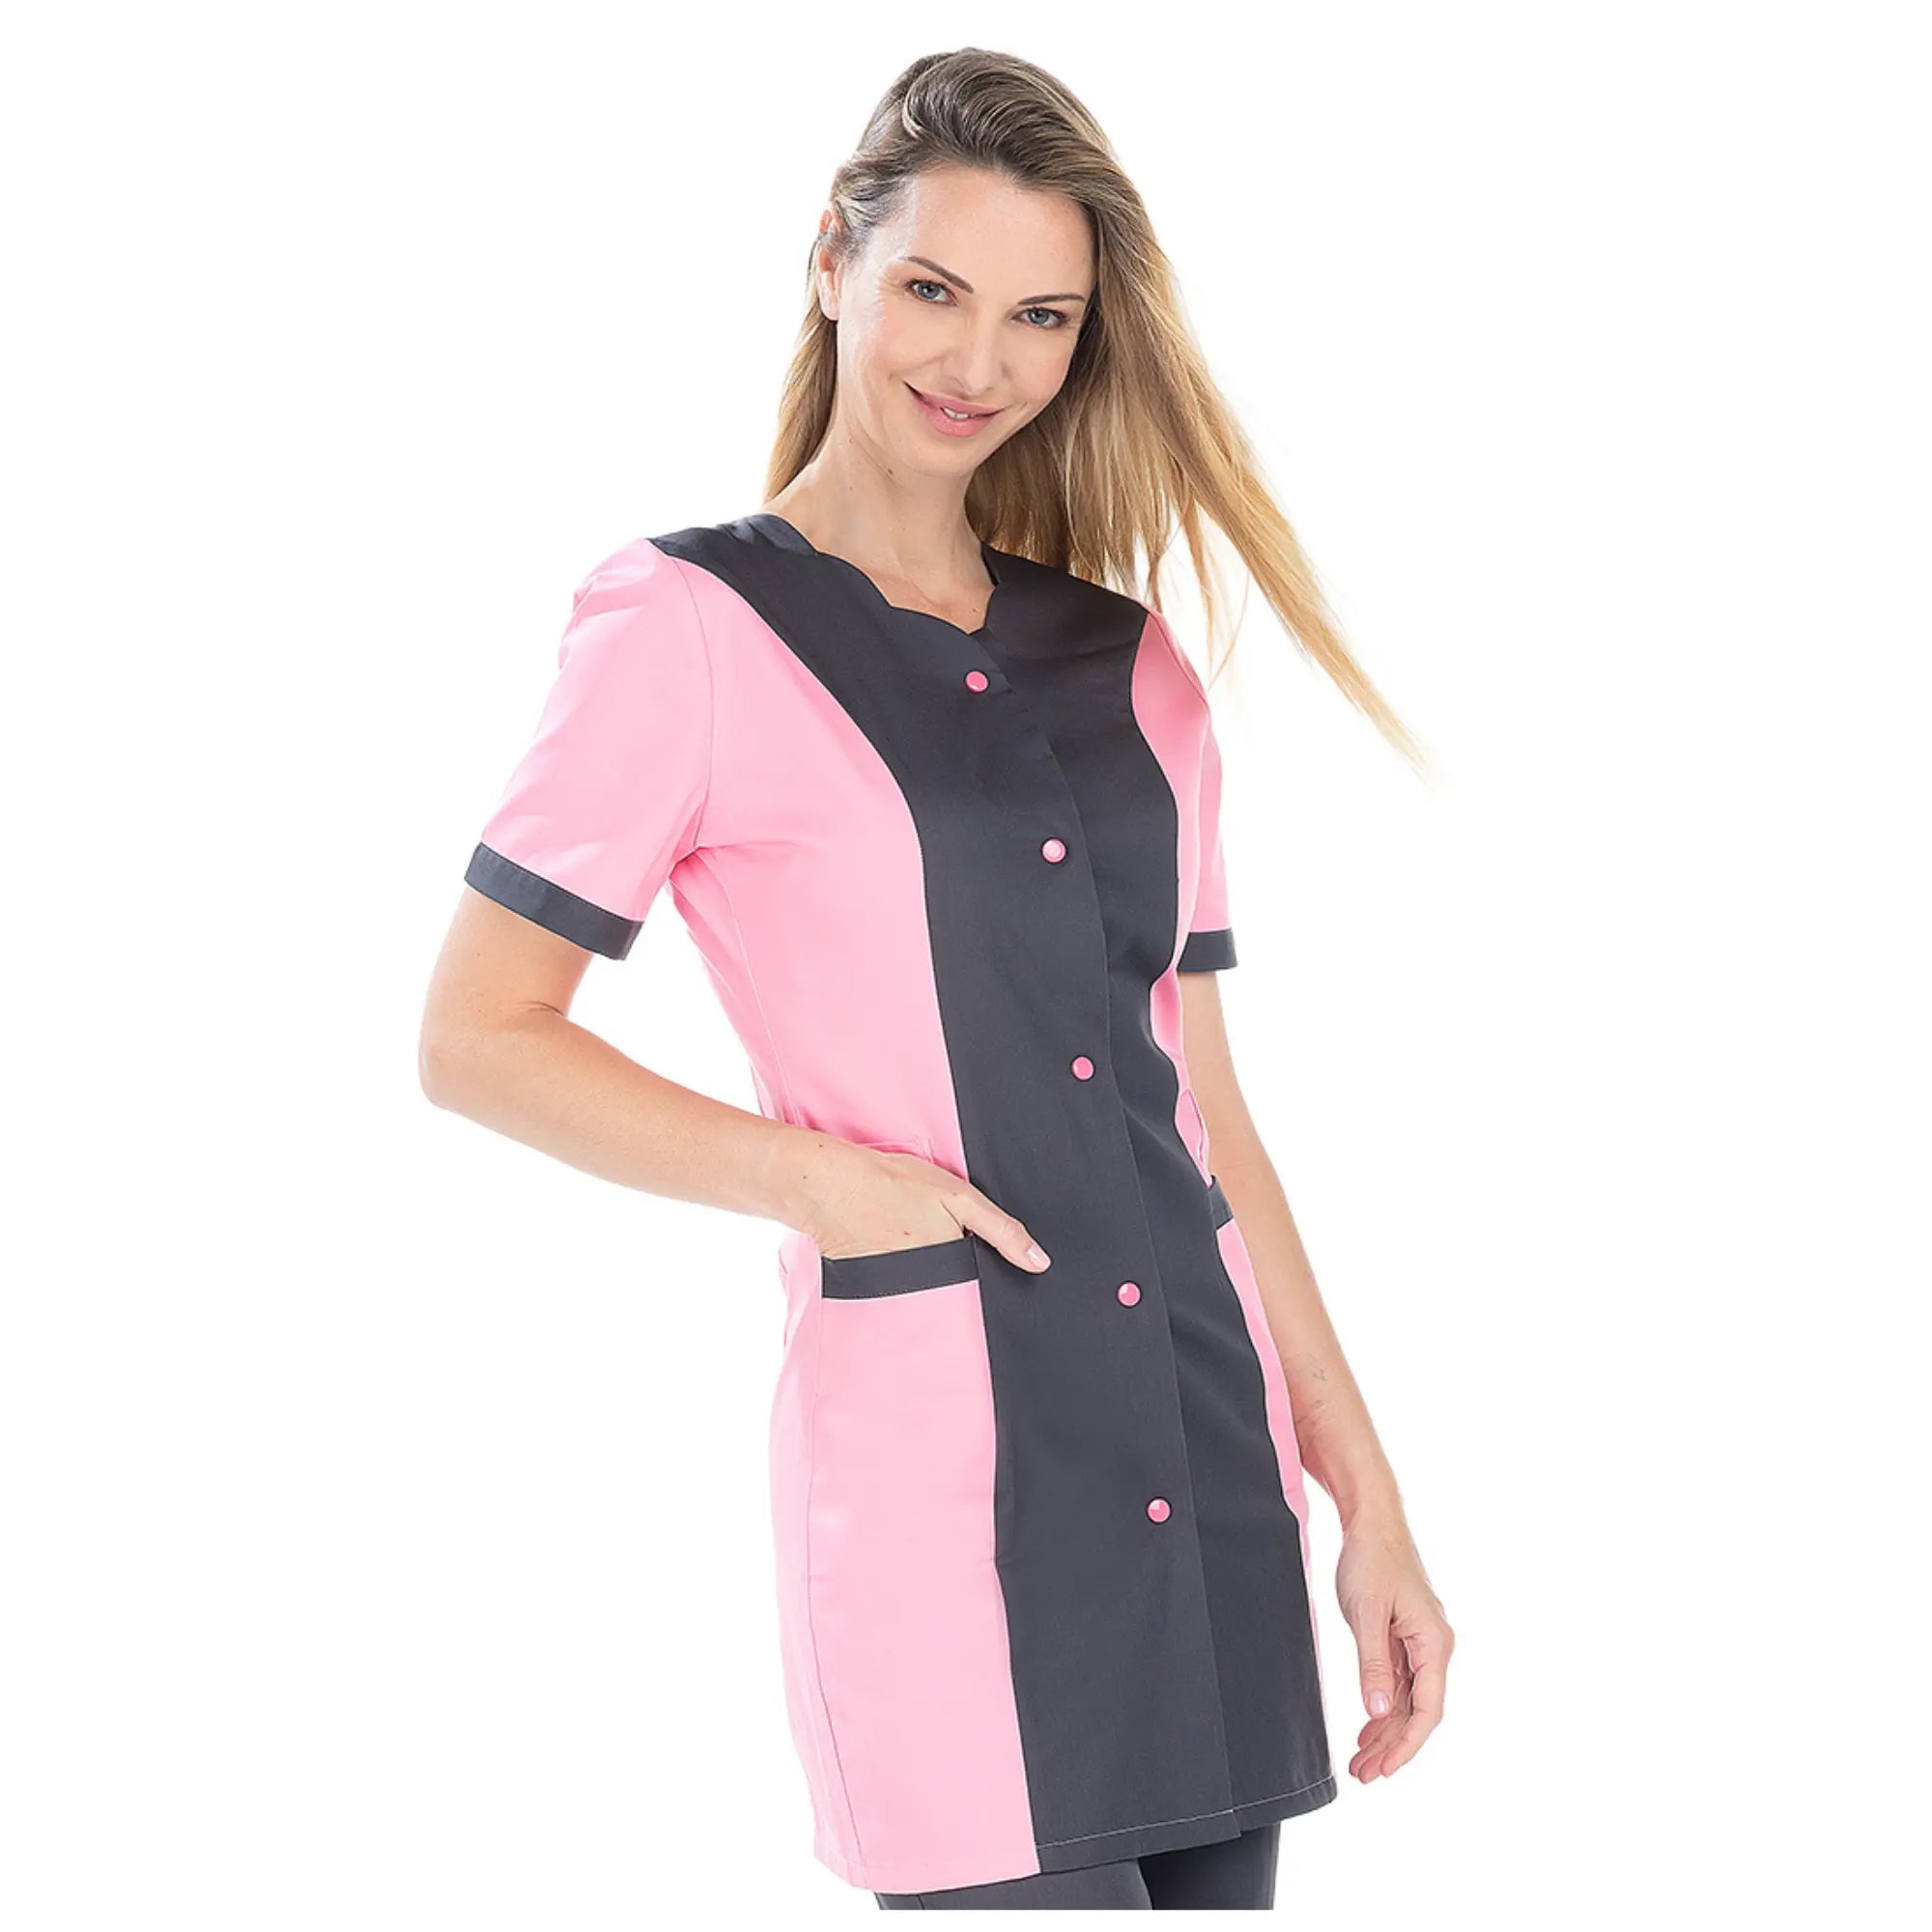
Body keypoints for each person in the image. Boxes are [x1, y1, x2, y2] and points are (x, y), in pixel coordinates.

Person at [420, 46, 1453, 1913]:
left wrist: (1363, 1494)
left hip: (1207, 1484)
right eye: (932, 289)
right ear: (833, 262)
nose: (980, 361)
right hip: (946, 1517)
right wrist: (818, 1182)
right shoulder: (688, 626)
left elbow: (1208, 1117)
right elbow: (479, 1036)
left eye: (1040, 317)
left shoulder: (1134, 669)